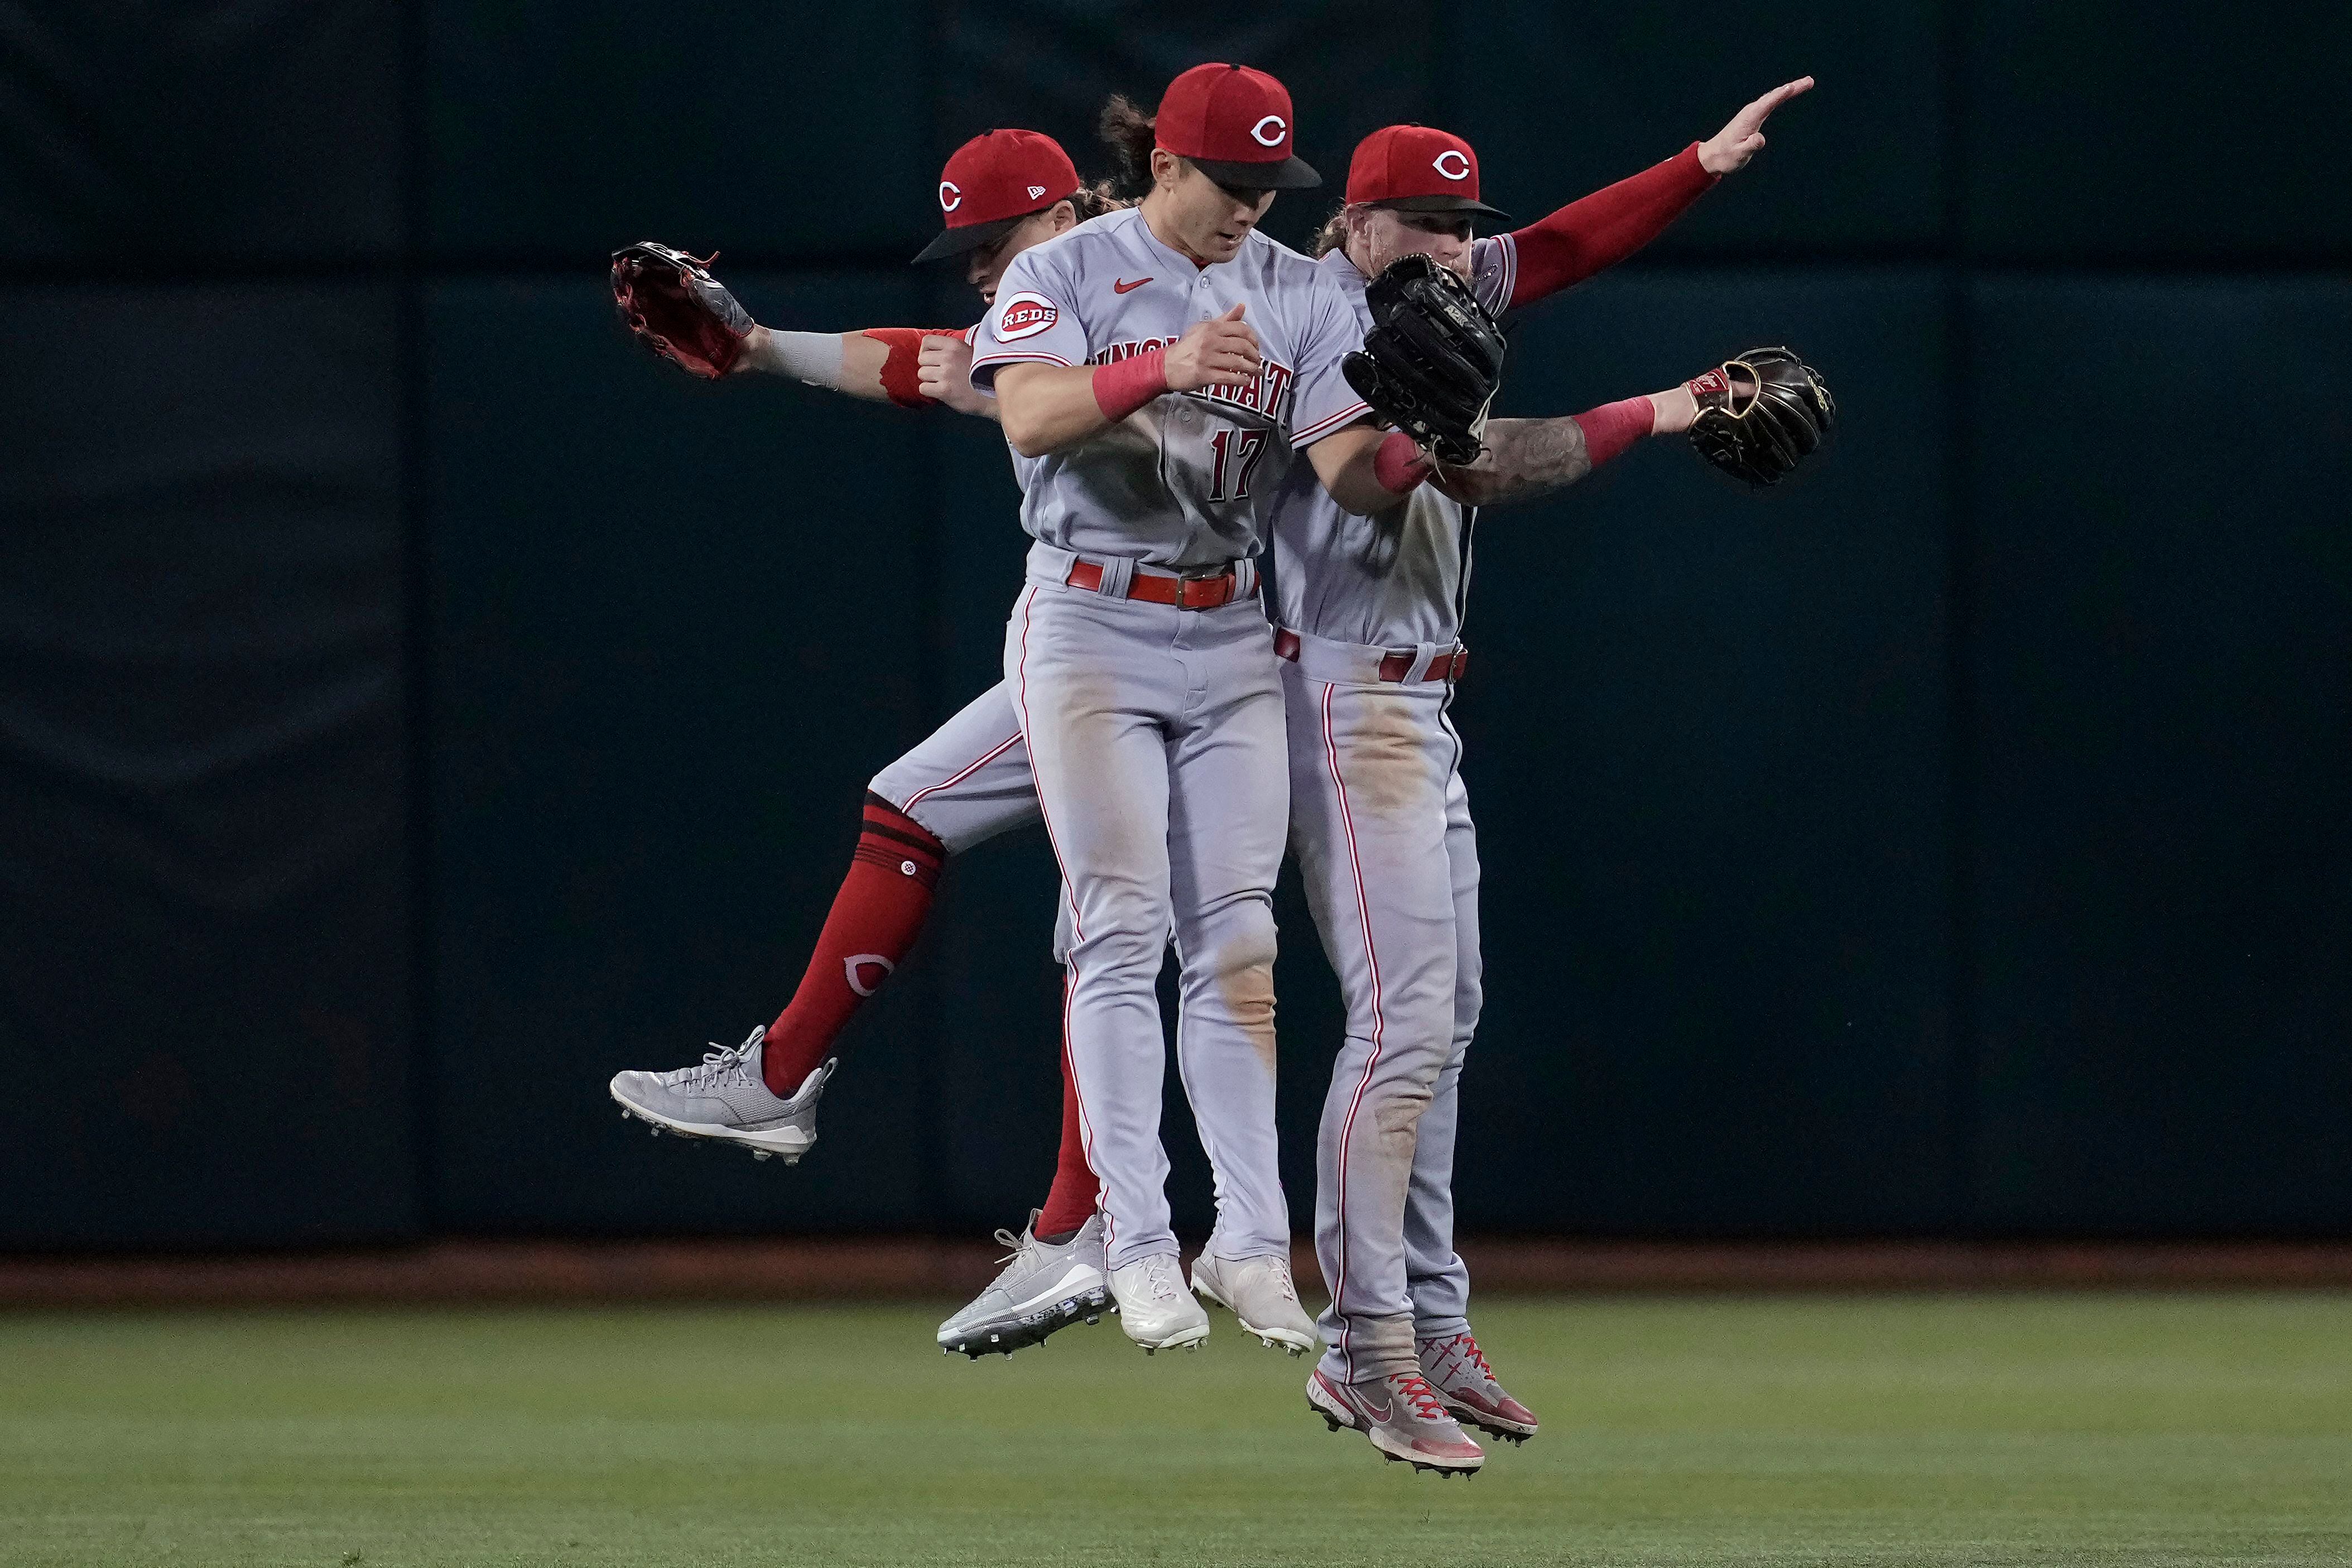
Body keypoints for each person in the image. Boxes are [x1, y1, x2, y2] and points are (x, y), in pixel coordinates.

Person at [610, 75, 1813, 1389]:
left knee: (1175, 931)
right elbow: (947, 368)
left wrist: (1695, 164)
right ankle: (1071, 1212)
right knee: (1051, 880)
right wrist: (766, 347)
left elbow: (1547, 266)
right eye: (971, 256)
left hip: (1255, 651)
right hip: (1140, 634)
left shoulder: (1319, 284)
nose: (981, 271)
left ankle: (1127, 1232)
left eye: (991, 242)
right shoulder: (1094, 282)